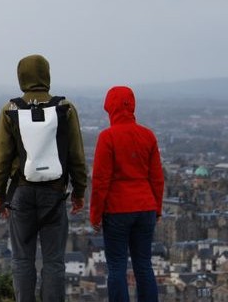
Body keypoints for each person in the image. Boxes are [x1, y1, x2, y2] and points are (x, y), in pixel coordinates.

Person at [0, 54, 87, 302]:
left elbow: (1, 160)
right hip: (54, 193)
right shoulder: (65, 107)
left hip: (21, 192)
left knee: (22, 259)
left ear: (21, 76)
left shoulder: (10, 109)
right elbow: (76, 155)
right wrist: (78, 192)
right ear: (47, 74)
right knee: (54, 260)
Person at [90, 86, 164, 302]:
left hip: (117, 210)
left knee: (116, 266)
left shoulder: (107, 137)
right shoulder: (148, 135)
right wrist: (157, 208)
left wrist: (95, 215)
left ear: (109, 107)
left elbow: (100, 180)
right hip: (146, 207)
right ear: (132, 105)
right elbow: (157, 179)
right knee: (144, 265)